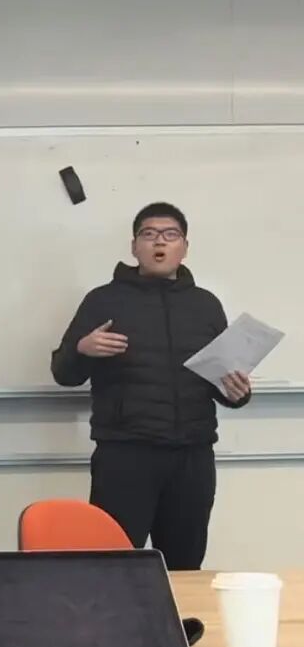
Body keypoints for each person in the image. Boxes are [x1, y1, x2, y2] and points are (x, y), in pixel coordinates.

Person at [51, 202, 252, 570]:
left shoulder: (205, 305)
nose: (160, 242)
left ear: (185, 247)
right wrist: (83, 349)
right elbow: (64, 373)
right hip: (126, 454)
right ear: (134, 247)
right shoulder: (103, 300)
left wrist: (237, 393)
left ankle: (179, 612)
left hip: (193, 455)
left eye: (170, 234)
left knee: (185, 565)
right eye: (149, 234)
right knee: (114, 565)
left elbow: (220, 381)